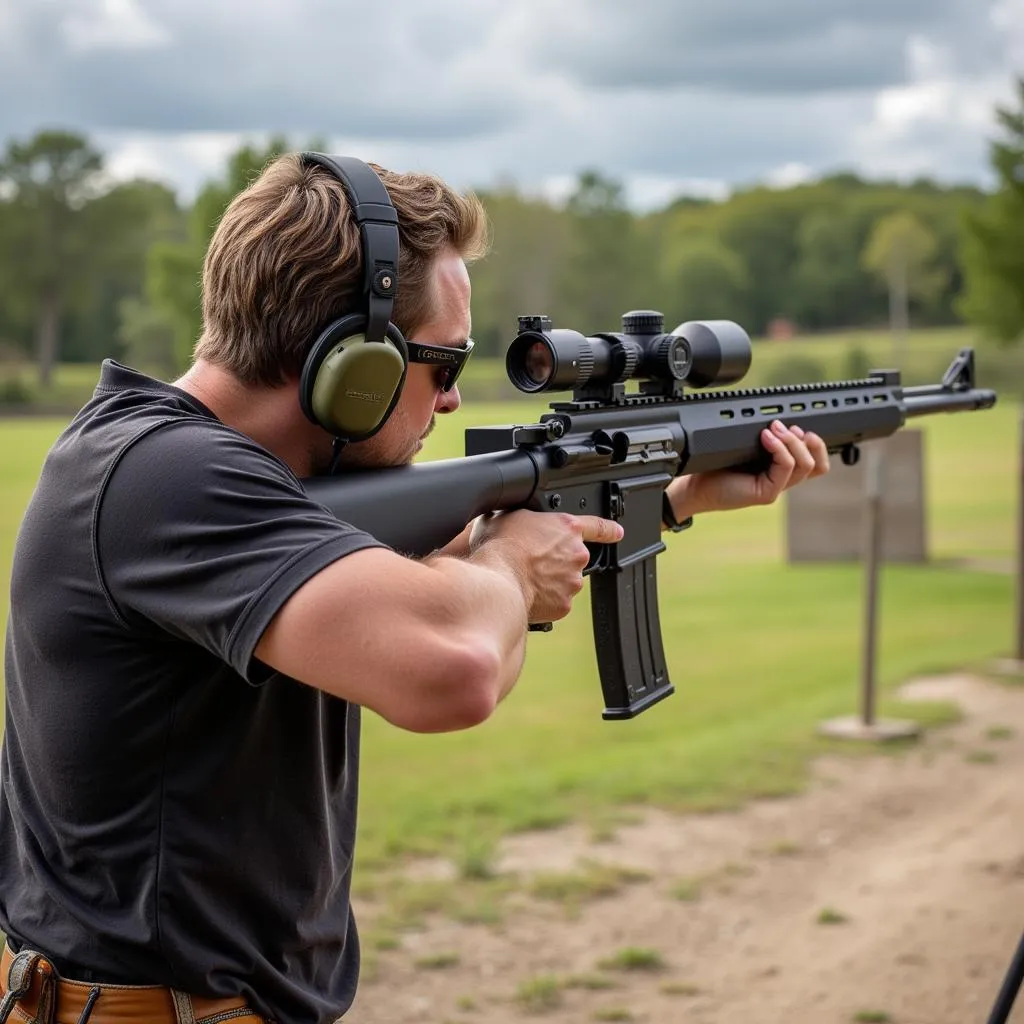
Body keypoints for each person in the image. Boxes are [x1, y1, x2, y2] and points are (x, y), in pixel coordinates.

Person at [0, 152, 830, 1024]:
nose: (451, 403)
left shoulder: (216, 474)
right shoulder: (166, 478)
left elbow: (381, 571)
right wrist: (511, 566)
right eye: (444, 365)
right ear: (352, 365)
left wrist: (665, 496)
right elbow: (456, 669)